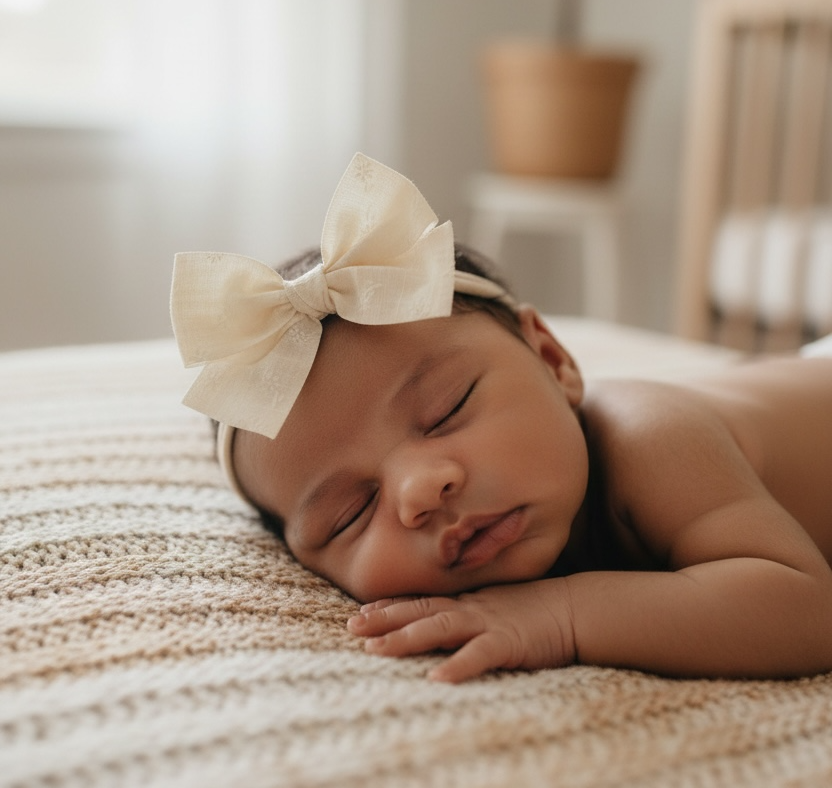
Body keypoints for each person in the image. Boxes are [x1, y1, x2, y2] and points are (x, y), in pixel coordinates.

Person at [170, 154, 832, 685]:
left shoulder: (649, 436)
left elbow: (804, 608)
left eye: (447, 411)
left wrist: (561, 616)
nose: (420, 490)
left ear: (552, 359)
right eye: (349, 514)